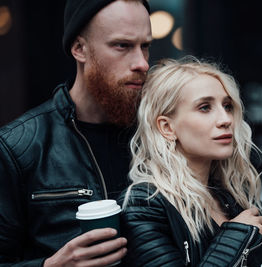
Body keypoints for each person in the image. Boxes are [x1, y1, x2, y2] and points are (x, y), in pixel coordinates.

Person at [0, 0, 152, 266]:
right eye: (122, 46)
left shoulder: (160, 136)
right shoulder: (18, 146)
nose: (142, 63)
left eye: (145, 46)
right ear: (79, 49)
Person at [117, 57, 262, 266]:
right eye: (205, 107)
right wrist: (236, 236)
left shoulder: (237, 197)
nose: (226, 119)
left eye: (227, 106)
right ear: (167, 128)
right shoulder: (144, 206)